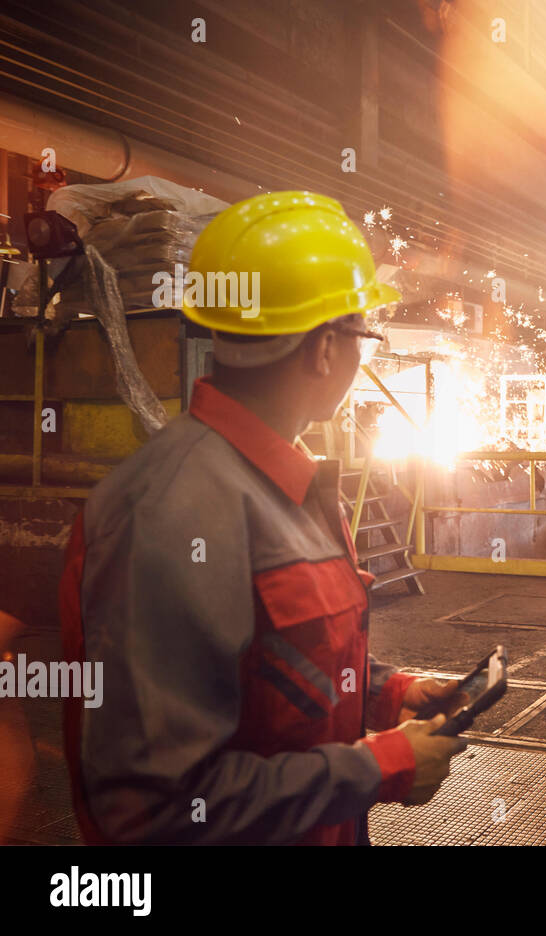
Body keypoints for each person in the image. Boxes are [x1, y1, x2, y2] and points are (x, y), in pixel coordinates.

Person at [59, 191, 466, 844]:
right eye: (361, 334)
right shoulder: (170, 512)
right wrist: (375, 769)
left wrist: (390, 695)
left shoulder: (289, 485)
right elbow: (151, 810)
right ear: (326, 350)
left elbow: (278, 675)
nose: (362, 355)